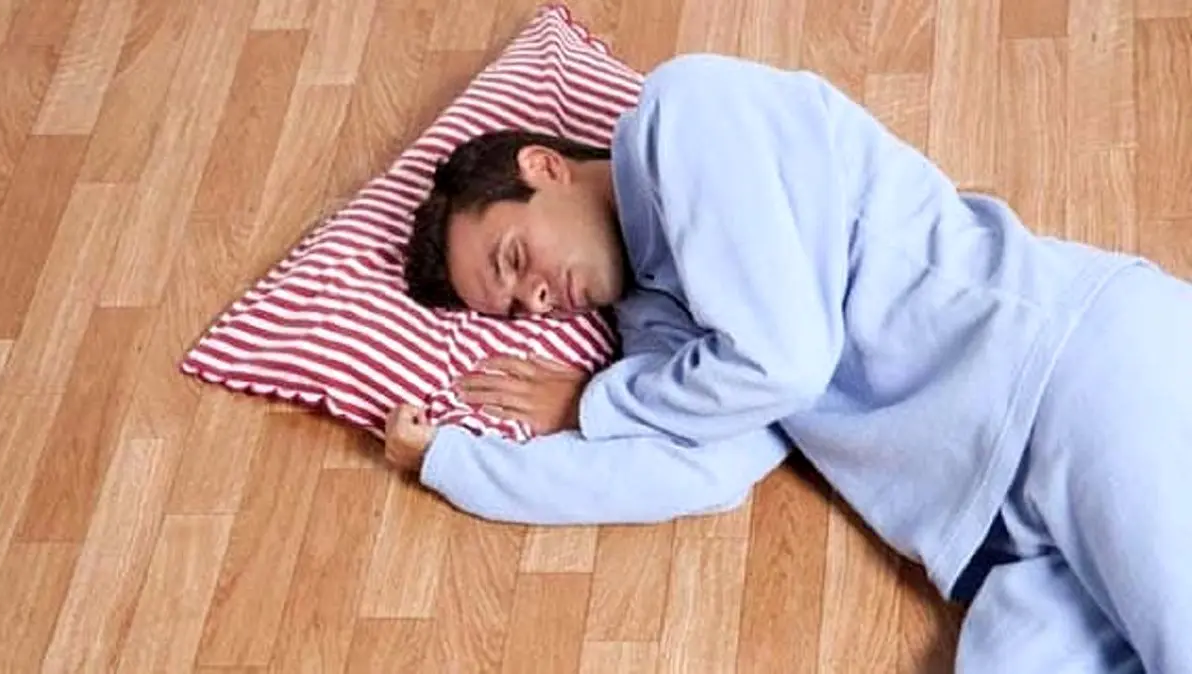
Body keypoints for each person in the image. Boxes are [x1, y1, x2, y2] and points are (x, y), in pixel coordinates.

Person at [387, 53, 1192, 672]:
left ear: (543, 167)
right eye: (513, 308)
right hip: (1001, 543)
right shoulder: (656, 326)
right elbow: (701, 469)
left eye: (513, 259)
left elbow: (785, 361)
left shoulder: (686, 116)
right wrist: (454, 462)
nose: (534, 298)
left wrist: (596, 402)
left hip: (1073, 376)